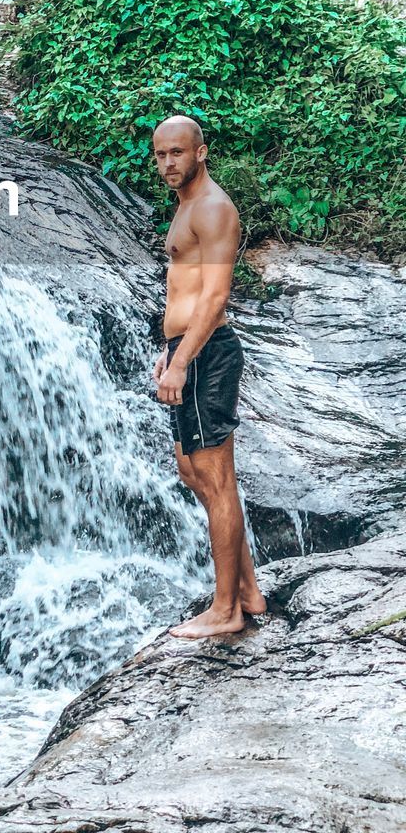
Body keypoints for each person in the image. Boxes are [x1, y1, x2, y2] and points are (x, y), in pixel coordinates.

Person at [151, 114, 266, 639]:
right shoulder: (186, 207)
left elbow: (215, 298)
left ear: (200, 152)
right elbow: (186, 289)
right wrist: (168, 349)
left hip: (205, 354)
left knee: (217, 479)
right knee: (191, 472)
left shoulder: (215, 208)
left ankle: (226, 611)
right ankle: (247, 590)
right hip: (186, 349)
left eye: (177, 152)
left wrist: (181, 361)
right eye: (160, 155)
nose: (168, 163)